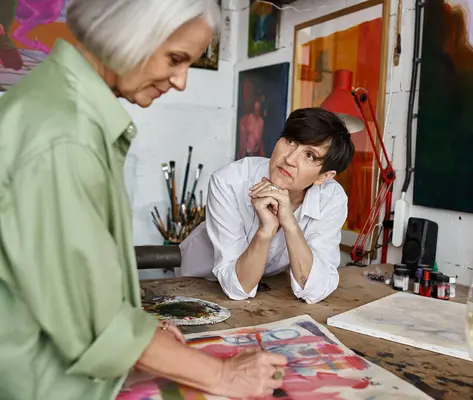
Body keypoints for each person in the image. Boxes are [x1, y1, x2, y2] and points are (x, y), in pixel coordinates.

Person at [0, 1, 287, 399]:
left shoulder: (62, 108)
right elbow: (93, 327)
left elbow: (63, 277)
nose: (181, 81)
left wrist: (136, 325)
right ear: (125, 35)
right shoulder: (63, 135)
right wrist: (223, 376)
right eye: (175, 58)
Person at [179, 107, 355, 304]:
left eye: (309, 155)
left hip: (266, 287)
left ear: (325, 176)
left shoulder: (331, 198)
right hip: (200, 283)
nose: (289, 159)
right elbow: (237, 288)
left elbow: (315, 289)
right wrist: (266, 230)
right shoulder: (229, 181)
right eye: (290, 141)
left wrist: (289, 224)